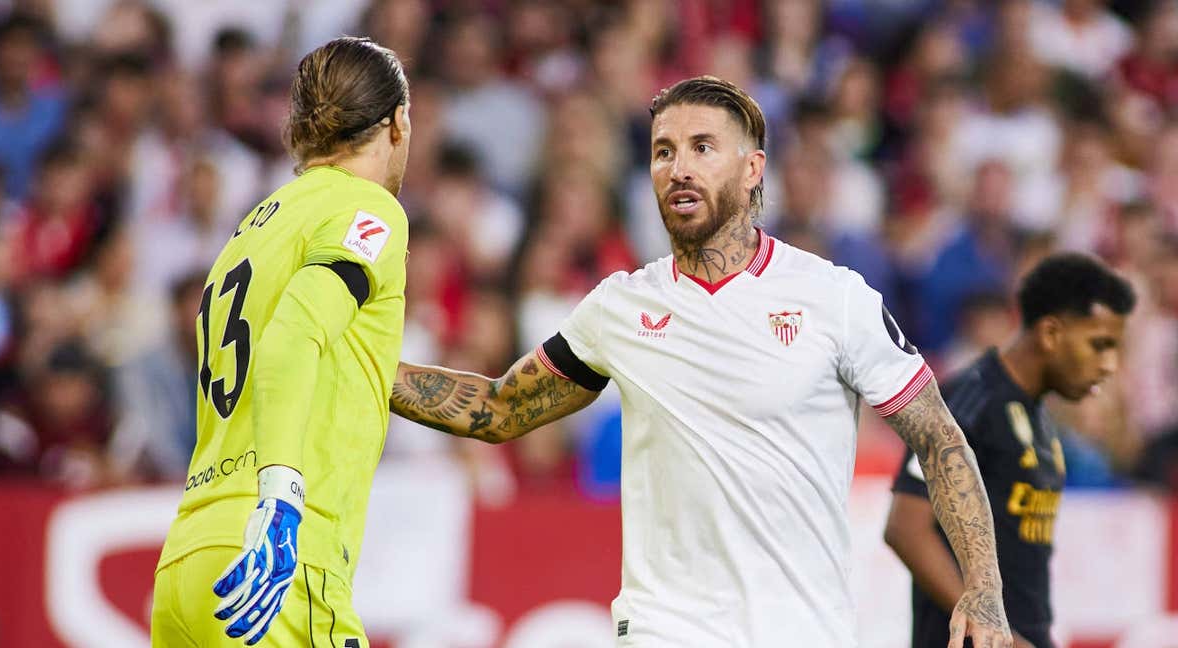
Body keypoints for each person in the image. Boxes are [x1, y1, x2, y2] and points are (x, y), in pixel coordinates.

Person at [391, 76, 1013, 648]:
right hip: (666, 629)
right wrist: (358, 368)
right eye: (663, 151)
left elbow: (939, 440)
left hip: (801, 630)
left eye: (702, 148)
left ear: (752, 170)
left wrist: (983, 590)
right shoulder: (621, 307)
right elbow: (501, 409)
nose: (679, 167)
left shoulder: (835, 299)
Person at [151, 37, 411, 647]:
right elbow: (293, 337)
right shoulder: (369, 211)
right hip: (276, 563)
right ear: (398, 123)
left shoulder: (254, 224)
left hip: (189, 555)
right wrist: (281, 499)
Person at [884, 253, 1136, 648]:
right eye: (1099, 345)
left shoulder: (1038, 414)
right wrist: (1003, 637)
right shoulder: (969, 401)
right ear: (1051, 333)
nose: (1109, 365)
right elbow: (906, 528)